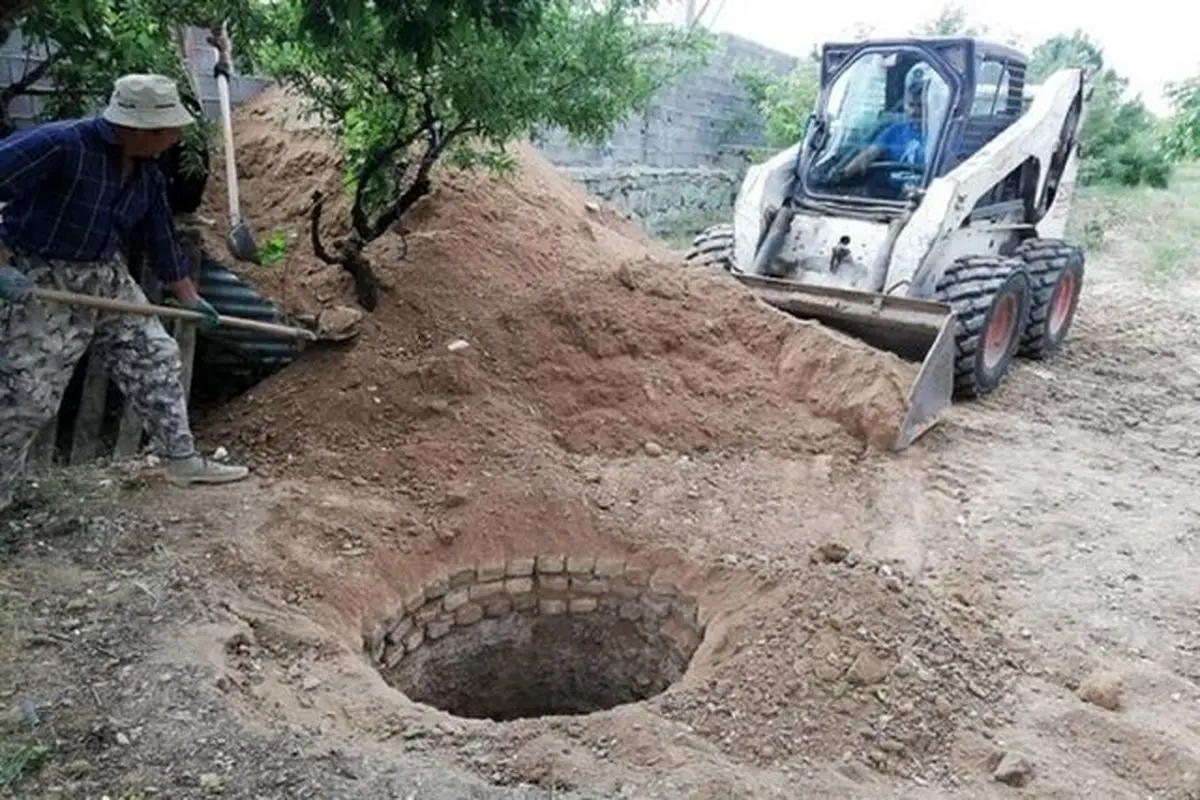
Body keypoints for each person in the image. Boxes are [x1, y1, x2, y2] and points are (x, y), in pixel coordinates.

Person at [0, 73, 249, 514]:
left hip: (105, 276)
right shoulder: (60, 144)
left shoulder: (147, 171)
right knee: (27, 396)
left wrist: (189, 297)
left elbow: (160, 235)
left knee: (156, 354)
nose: (175, 138)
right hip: (43, 277)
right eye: (169, 129)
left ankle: (182, 460)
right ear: (139, 127)